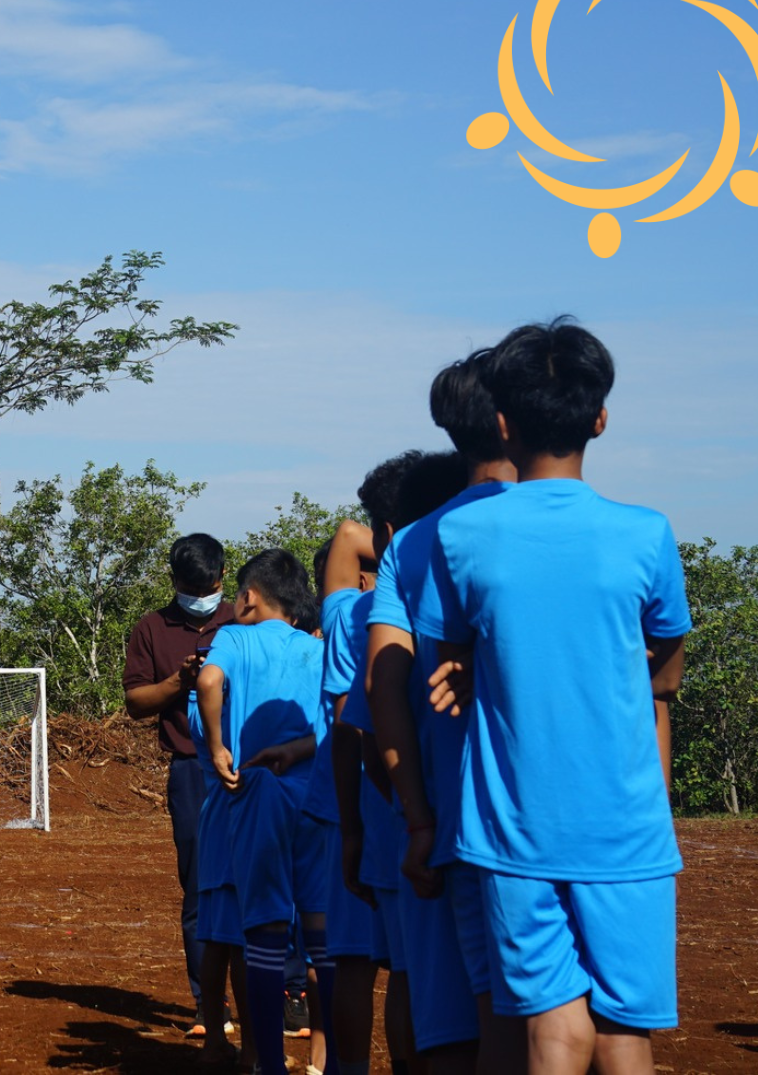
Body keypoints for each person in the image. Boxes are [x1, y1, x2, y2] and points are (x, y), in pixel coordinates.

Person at [424, 320, 689, 1075]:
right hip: (627, 828)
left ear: (502, 424)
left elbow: (454, 655)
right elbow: (664, 671)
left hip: (513, 828)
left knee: (552, 1031)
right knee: (624, 1033)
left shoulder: (465, 536)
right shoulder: (647, 534)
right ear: (599, 418)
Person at [369, 357, 522, 1075]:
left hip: (455, 820)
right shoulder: (608, 527)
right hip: (565, 819)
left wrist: (419, 818)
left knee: (467, 1024)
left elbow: (384, 684)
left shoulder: (413, 545)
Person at [310, 451, 423, 1075]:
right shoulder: (433, 608)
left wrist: (388, 539)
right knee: (412, 968)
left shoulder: (349, 612)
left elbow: (350, 537)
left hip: (347, 803)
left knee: (351, 961)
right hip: (412, 803)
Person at [195, 549, 327, 1075]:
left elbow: (207, 684)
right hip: (314, 802)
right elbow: (335, 722)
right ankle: (326, 1061)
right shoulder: (317, 650)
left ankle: (262, 1059)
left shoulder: (232, 637)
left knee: (258, 934)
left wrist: (218, 746)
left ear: (247, 597)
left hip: (249, 801)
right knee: (321, 937)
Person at [122, 532, 232, 1027]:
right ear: (174, 582)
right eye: (190, 586)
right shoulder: (151, 628)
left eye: (206, 585)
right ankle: (209, 1004)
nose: (200, 594)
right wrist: (179, 683)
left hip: (247, 764)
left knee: (266, 877)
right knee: (199, 887)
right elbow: (135, 703)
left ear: (222, 578)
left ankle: (288, 991)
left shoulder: (241, 620)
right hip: (190, 769)